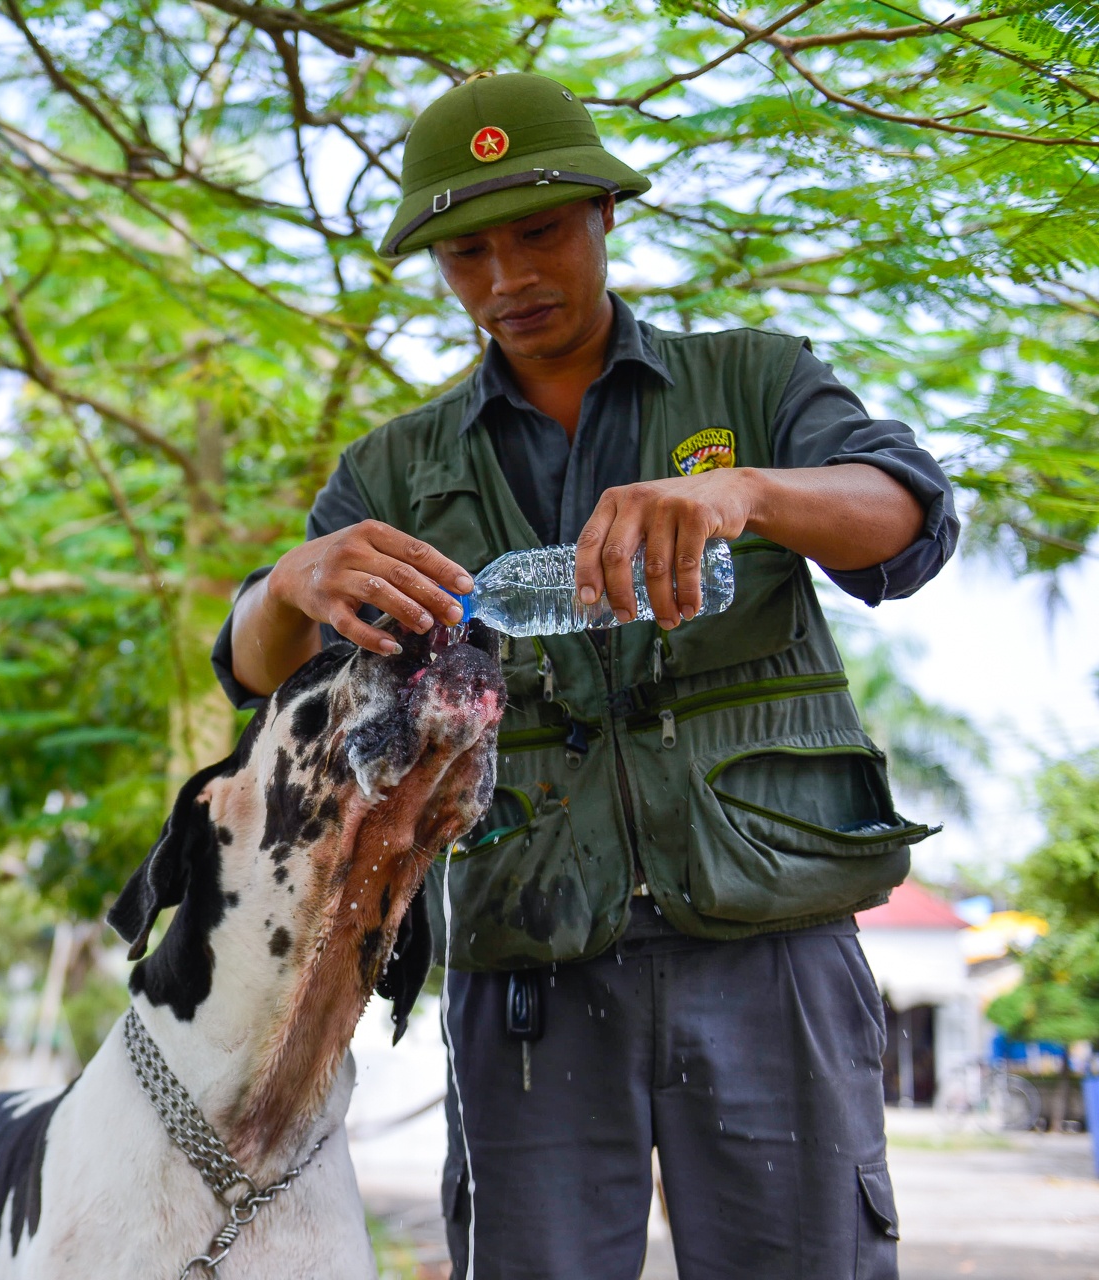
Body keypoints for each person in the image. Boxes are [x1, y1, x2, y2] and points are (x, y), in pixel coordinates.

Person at [211, 71, 958, 1280]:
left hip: (770, 939)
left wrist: (748, 492)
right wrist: (289, 581)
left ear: (606, 215)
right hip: (529, 965)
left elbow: (909, 516)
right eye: (467, 253)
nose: (507, 277)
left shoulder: (753, 382)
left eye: (541, 232)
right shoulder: (396, 469)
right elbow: (260, 677)